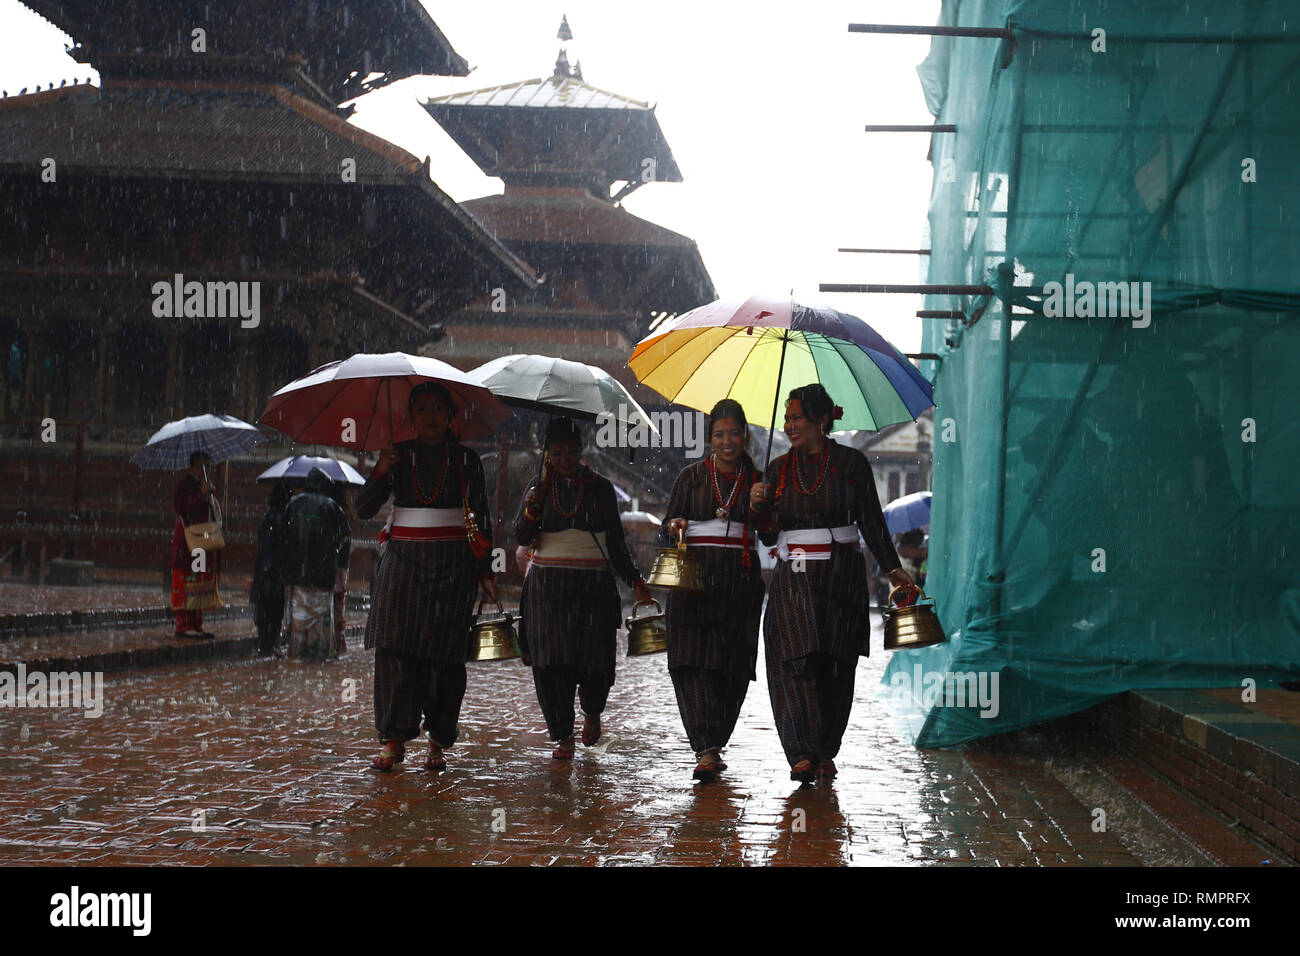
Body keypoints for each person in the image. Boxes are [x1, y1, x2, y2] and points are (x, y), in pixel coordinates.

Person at [750, 384, 918, 783]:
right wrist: (758, 506)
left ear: (821, 420)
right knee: (796, 659)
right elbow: (770, 535)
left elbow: (872, 522)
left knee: (836, 666)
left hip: (841, 577)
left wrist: (894, 569)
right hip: (794, 577)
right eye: (787, 419)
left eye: (798, 418)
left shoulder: (851, 464)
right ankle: (802, 752)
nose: (790, 425)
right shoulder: (776, 469)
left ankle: (825, 748)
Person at [357, 382, 497, 772]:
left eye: (438, 408)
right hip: (402, 564)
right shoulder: (398, 457)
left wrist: (486, 570)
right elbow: (363, 508)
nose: (430, 415)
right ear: (410, 417)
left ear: (451, 415)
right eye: (421, 409)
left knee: (445, 657)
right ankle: (393, 739)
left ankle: (438, 739)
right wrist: (381, 470)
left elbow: (480, 518)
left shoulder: (468, 461)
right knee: (394, 650)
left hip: (453, 566)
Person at [513, 417, 652, 760]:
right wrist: (531, 512)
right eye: (557, 453)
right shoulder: (538, 488)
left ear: (581, 451)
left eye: (571, 452)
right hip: (547, 590)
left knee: (595, 664)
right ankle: (563, 736)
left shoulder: (601, 489)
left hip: (593, 590)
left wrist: (636, 582)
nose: (564, 460)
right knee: (549, 664)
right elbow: (520, 537)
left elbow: (617, 545)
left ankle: (592, 711)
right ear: (547, 455)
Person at [662, 399, 765, 781]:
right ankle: (705, 748)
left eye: (734, 433)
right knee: (690, 661)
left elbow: (770, 533)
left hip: (739, 584)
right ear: (709, 439)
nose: (727, 441)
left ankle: (717, 737)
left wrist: (761, 506)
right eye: (719, 434)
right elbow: (665, 527)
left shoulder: (757, 478)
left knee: (733, 666)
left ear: (745, 436)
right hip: (693, 583)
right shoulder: (690, 477)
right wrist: (674, 526)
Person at [281, 467, 351, 660]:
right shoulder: (331, 507)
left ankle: (295, 658)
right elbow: (343, 537)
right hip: (322, 575)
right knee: (319, 622)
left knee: (298, 620)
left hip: (296, 574)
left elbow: (283, 536)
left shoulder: (293, 504)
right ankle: (317, 660)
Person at [170, 450, 221, 638]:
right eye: (201, 466)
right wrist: (201, 494)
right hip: (187, 541)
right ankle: (183, 624)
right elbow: (182, 507)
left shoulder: (204, 485)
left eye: (207, 466)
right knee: (186, 580)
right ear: (192, 467)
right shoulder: (185, 485)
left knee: (198, 580)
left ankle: (196, 622)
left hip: (201, 542)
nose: (205, 469)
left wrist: (211, 498)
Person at [250, 482, 292, 656]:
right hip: (274, 573)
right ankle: (271, 645)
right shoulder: (280, 518)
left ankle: (267, 644)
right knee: (273, 611)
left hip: (265, 572)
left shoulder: (270, 516)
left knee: (266, 611)